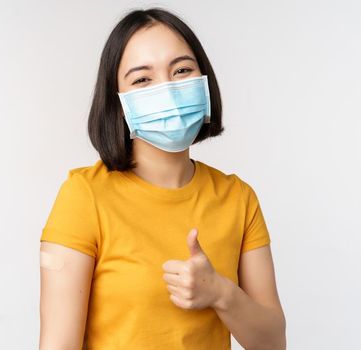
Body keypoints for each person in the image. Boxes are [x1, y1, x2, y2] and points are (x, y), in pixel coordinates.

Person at [39, 8, 286, 349]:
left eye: (182, 70)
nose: (167, 90)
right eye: (143, 79)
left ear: (204, 80)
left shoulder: (238, 198)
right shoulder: (84, 196)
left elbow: (273, 342)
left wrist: (220, 292)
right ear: (119, 102)